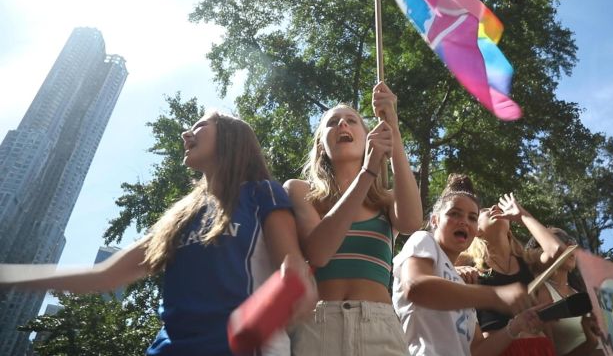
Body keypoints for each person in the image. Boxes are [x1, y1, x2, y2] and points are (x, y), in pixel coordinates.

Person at [0, 111, 314, 356]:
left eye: (199, 125)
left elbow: (294, 270)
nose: (185, 133)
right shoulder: (180, 217)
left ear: (231, 138)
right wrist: (10, 276)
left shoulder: (262, 193)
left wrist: (276, 305)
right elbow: (103, 276)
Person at [285, 82, 423, 355]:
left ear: (367, 136)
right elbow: (320, 253)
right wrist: (367, 173)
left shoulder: (386, 199)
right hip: (318, 327)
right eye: (332, 122)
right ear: (321, 145)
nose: (342, 126)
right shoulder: (300, 191)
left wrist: (393, 129)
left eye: (352, 121)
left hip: (380, 327)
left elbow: (411, 223)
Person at [392, 173, 543, 356]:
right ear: (434, 220)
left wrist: (516, 325)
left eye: (472, 217)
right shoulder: (423, 240)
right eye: (454, 213)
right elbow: (415, 287)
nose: (464, 221)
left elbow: (477, 350)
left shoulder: (463, 283)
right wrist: (495, 296)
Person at [458, 194, 565, 356]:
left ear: (509, 227)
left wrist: (522, 215)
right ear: (477, 230)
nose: (494, 208)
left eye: (497, 207)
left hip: (540, 349)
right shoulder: (467, 263)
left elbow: (557, 251)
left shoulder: (528, 260)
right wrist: (457, 270)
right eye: (485, 211)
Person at [528, 228, 603, 356]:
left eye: (571, 240)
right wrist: (590, 341)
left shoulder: (580, 293)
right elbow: (548, 352)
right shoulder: (541, 292)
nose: (570, 245)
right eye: (560, 240)